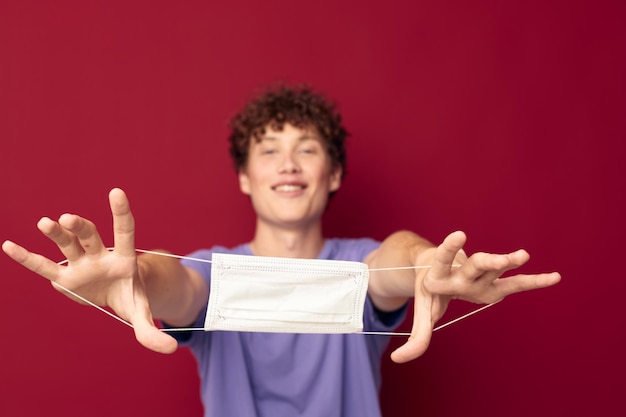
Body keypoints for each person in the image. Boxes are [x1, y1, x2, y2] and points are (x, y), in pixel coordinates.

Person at [2, 85, 561, 416]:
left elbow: (393, 262)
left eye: (307, 149)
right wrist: (137, 277)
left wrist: (426, 262)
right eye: (268, 151)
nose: (288, 164)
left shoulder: (357, 264)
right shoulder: (213, 271)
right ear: (245, 177)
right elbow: (181, 282)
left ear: (333, 172)